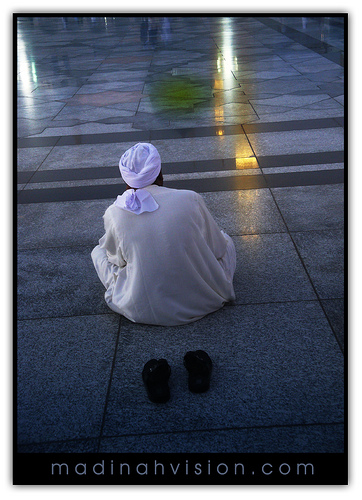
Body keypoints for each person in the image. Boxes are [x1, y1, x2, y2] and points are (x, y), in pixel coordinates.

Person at [91, 143, 236, 327]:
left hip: (142, 306)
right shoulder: (190, 198)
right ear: (160, 173)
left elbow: (117, 260)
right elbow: (217, 249)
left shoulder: (115, 212)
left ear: (126, 181)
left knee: (98, 252)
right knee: (227, 240)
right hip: (201, 301)